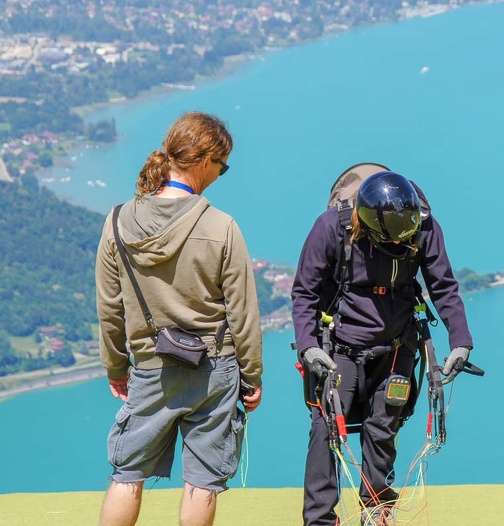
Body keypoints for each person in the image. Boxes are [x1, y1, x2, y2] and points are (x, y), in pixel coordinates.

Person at [95, 111, 263, 526]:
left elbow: (109, 307)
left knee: (127, 473)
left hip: (151, 367)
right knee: (202, 481)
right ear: (205, 161)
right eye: (222, 167)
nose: (220, 175)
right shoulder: (222, 227)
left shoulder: (118, 221)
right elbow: (243, 315)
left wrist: (116, 367)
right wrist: (253, 378)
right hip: (215, 368)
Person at [291, 169, 474, 526]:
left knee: (383, 429)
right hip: (338, 348)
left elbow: (443, 286)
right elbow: (304, 294)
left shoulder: (423, 226)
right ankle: (320, 521)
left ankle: (377, 514)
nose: (396, 246)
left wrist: (460, 340)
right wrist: (308, 346)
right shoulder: (331, 228)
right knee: (326, 428)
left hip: (396, 346)